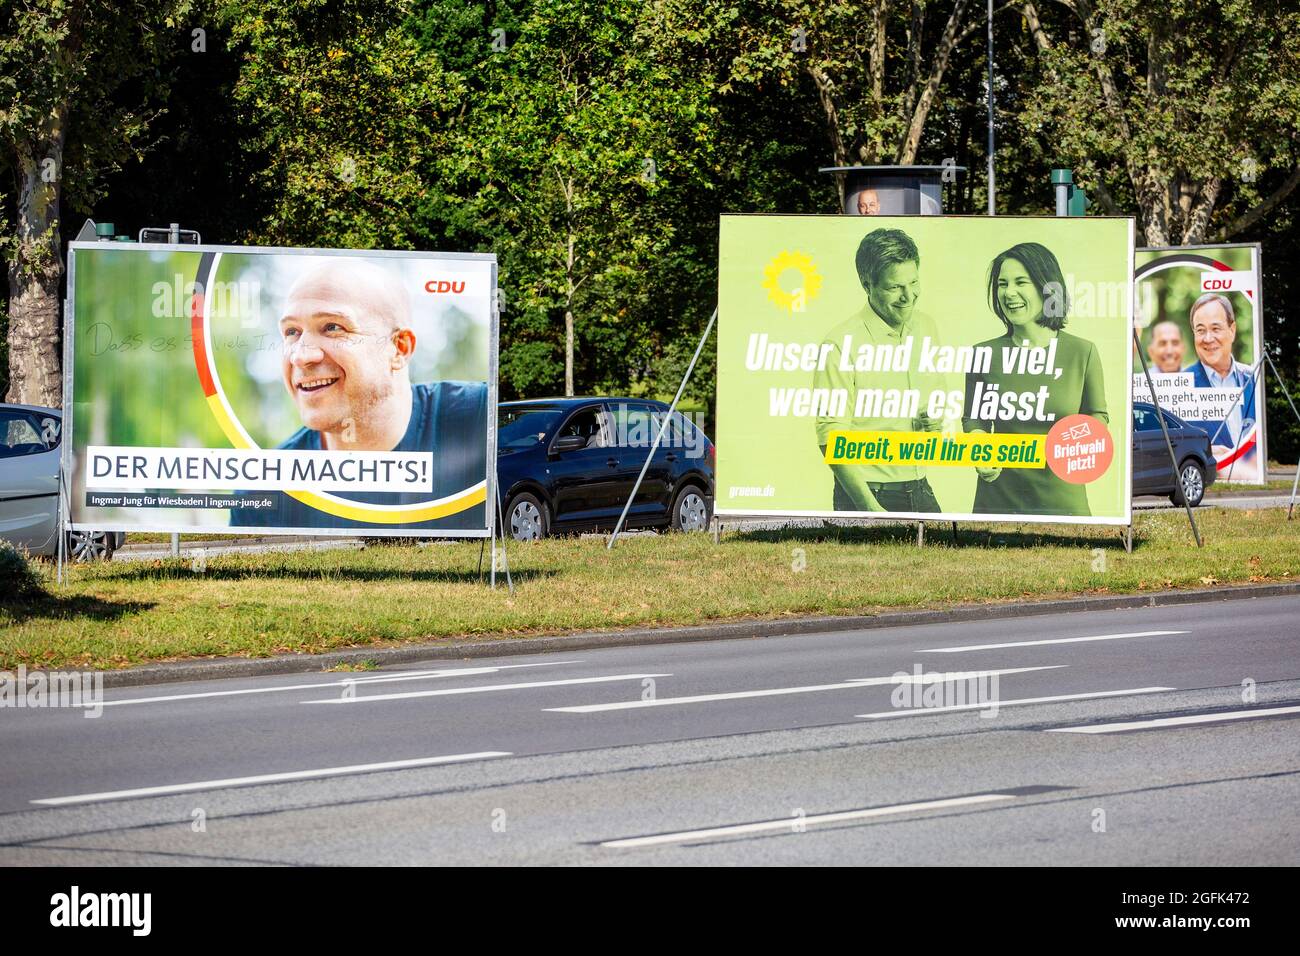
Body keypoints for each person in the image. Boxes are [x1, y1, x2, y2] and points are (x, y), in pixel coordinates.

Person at [231, 259, 487, 529]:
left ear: (399, 349)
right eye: (292, 332)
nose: (302, 355)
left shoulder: (482, 417)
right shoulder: (265, 492)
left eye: (332, 327)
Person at [963, 242, 1107, 516]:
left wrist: (1071, 446)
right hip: (997, 502)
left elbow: (1097, 417)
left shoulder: (1082, 352)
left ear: (1046, 287)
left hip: (1063, 502)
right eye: (1002, 284)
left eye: (1021, 282)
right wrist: (980, 448)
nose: (1009, 293)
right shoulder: (983, 353)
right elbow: (974, 419)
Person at [813, 228, 944, 514]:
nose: (908, 296)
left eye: (913, 282)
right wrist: (869, 509)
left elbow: (936, 403)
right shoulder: (839, 344)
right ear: (867, 284)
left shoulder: (927, 327)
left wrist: (934, 422)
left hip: (920, 486)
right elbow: (831, 438)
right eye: (894, 287)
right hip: (867, 494)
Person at [1184, 292, 1256, 452]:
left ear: (1232, 330)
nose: (1208, 338)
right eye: (1200, 330)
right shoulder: (1181, 386)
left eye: (1216, 328)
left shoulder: (1254, 379)